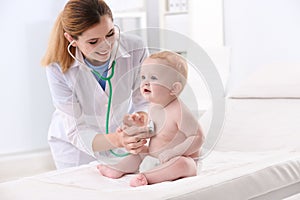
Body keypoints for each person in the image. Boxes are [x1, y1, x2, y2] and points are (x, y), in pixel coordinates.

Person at [41, 0, 151, 169]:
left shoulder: (135, 47)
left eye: (110, 34)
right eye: (93, 41)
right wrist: (117, 139)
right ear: (72, 39)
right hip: (75, 149)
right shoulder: (57, 66)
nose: (106, 46)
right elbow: (77, 129)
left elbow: (144, 98)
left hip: (122, 137)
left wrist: (141, 119)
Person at [97, 51, 205, 187]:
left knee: (182, 164)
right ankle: (117, 169)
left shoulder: (179, 111)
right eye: (143, 77)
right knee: (138, 152)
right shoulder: (154, 106)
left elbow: (198, 137)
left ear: (174, 88)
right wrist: (133, 130)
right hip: (156, 155)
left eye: (153, 78)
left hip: (183, 158)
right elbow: (155, 131)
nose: (145, 83)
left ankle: (147, 177)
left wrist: (174, 152)